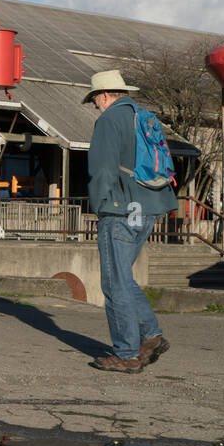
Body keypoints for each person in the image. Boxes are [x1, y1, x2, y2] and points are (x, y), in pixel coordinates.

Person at [86, 70, 177, 373]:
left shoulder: (110, 119)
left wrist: (99, 205)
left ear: (105, 95)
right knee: (123, 276)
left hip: (120, 209)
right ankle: (150, 336)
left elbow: (103, 170)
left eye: (95, 100)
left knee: (113, 281)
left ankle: (126, 353)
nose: (96, 105)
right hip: (148, 207)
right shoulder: (144, 115)